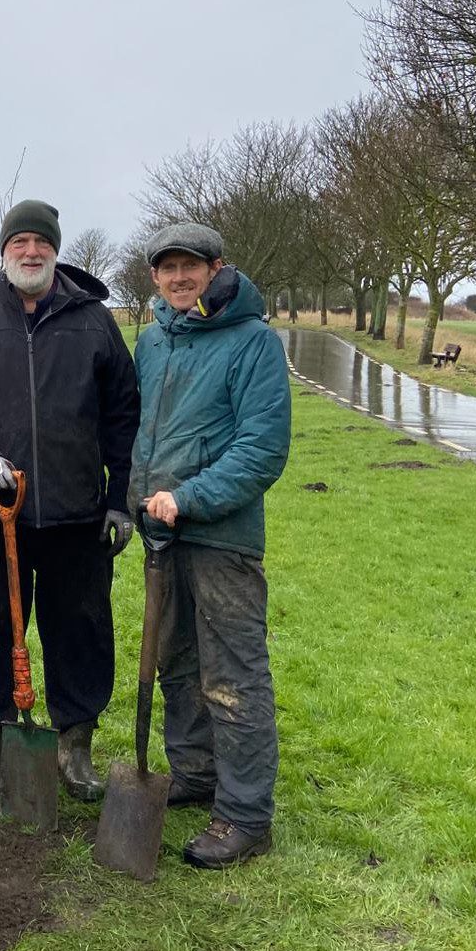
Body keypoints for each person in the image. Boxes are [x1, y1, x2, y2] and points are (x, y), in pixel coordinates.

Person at [0, 199, 140, 800]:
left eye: (41, 243)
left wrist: (119, 499)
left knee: (80, 629)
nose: (31, 252)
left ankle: (75, 743)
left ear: (55, 250)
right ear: (3, 252)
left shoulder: (94, 321)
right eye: (19, 242)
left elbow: (122, 412)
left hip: (76, 515)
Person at [129, 222, 291, 868]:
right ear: (154, 278)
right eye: (166, 268)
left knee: (234, 675)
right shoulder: (151, 342)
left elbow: (262, 450)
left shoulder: (253, 344)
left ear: (218, 267)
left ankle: (246, 813)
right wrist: (138, 498)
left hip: (220, 539)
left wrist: (188, 497)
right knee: (178, 664)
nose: (178, 278)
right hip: (161, 536)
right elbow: (142, 431)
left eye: (190, 267)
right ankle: (194, 773)